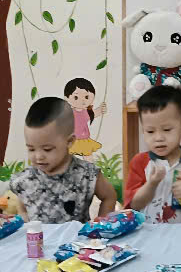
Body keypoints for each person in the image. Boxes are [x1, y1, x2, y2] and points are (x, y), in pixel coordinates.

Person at [8, 95, 117, 223]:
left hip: (76, 236)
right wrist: (23, 216)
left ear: (69, 141)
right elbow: (23, 202)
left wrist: (101, 224)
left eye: (47, 149)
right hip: (38, 236)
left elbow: (109, 196)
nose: (38, 156)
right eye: (31, 149)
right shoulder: (25, 179)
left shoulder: (88, 174)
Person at [125, 85, 181, 223]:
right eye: (150, 131)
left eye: (166, 129)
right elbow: (134, 205)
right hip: (149, 233)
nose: (158, 138)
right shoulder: (140, 162)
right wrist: (151, 184)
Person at [63, 76, 105, 156]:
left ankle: (89, 164)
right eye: (76, 97)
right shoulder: (69, 112)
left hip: (84, 139)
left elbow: (94, 114)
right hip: (72, 139)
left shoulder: (86, 112)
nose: (82, 100)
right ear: (66, 98)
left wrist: (100, 109)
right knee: (69, 155)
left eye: (86, 97)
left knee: (87, 154)